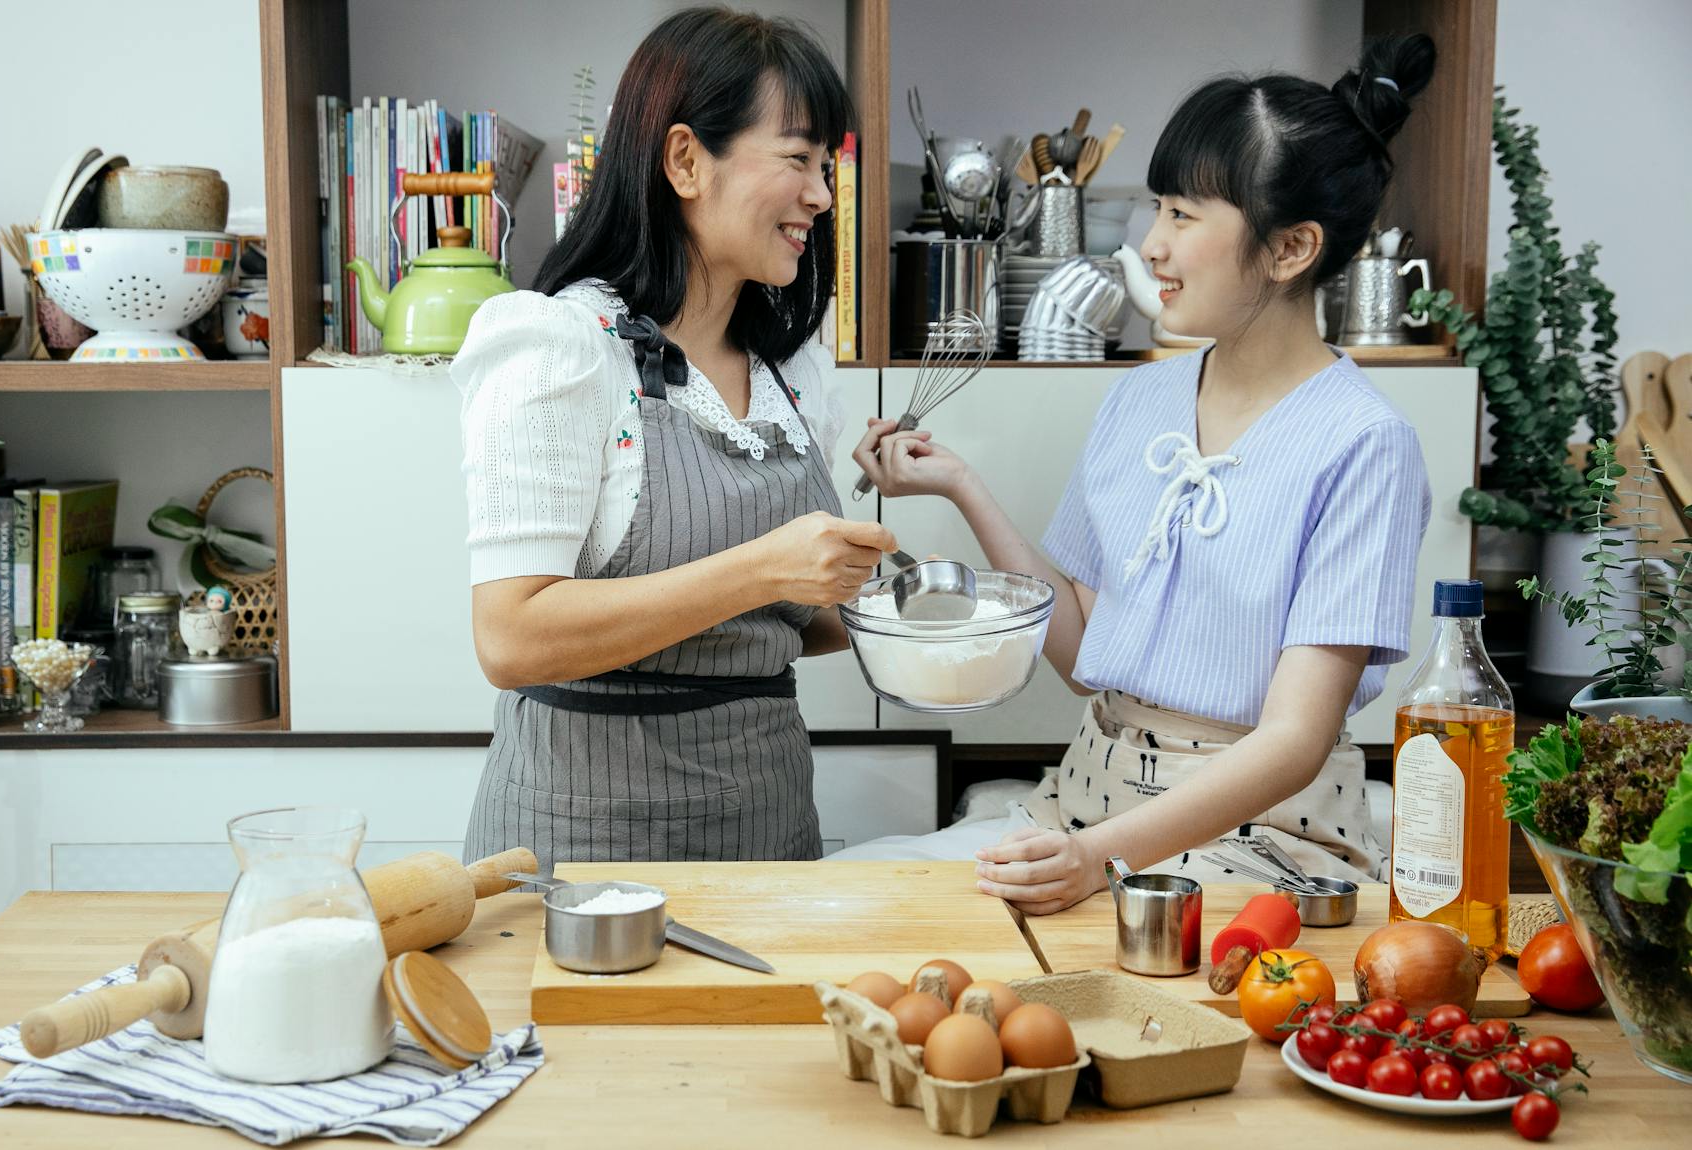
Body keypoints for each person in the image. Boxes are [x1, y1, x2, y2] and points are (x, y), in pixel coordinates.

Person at [839, 35, 1439, 915]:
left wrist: (1093, 861)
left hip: (1267, 837)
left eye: (1185, 216)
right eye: (1158, 207)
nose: (1150, 244)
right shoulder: (1141, 399)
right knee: (873, 904)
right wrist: (960, 483)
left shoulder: (1364, 444)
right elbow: (1085, 660)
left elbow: (1294, 740)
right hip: (1087, 797)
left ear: (1291, 248)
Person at [449, 8, 893, 872]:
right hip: (580, 854)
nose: (822, 197)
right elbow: (511, 638)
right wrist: (767, 565)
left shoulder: (793, 375)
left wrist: (897, 613)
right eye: (798, 159)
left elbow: (791, 624)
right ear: (686, 159)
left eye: (825, 167)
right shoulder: (561, 350)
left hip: (768, 835)